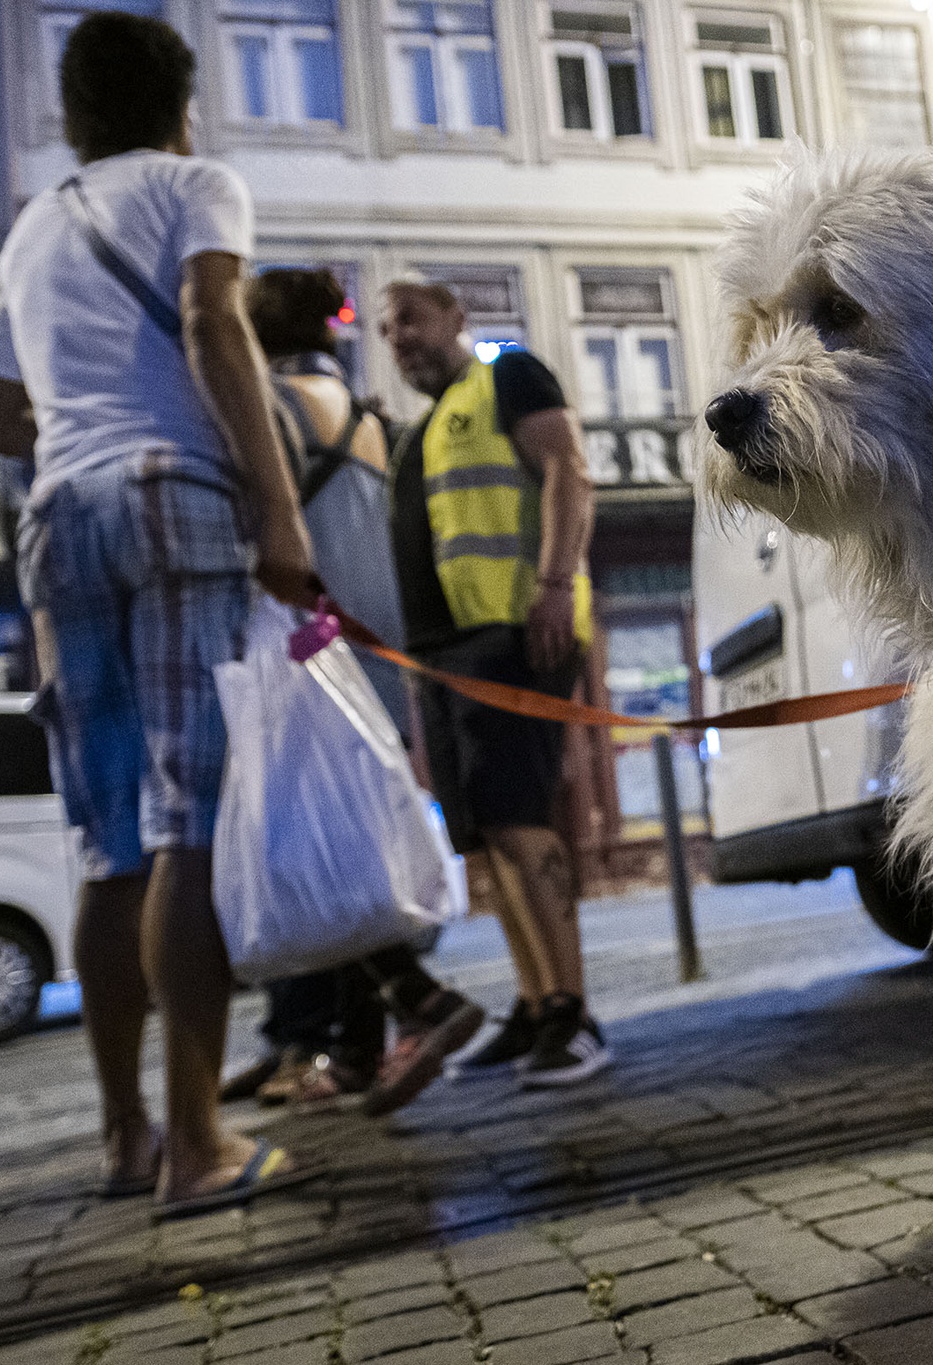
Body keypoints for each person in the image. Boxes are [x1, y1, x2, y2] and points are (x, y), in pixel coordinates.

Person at [0, 12, 317, 1214]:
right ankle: (196, 1144)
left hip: (59, 516)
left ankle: (121, 1138)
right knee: (187, 821)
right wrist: (278, 513)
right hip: (175, 501)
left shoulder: (31, 230)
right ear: (182, 105)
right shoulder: (194, 183)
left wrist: (89, 413)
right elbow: (213, 323)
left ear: (74, 114)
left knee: (105, 841)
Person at [216, 268, 484, 1115]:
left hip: (306, 652)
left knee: (318, 851)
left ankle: (422, 1004)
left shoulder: (268, 409)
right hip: (379, 655)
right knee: (353, 844)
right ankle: (358, 1052)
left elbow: (259, 529)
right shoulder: (375, 419)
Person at [381, 277, 607, 1087]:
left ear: (454, 316)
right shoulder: (427, 427)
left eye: (408, 317)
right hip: (445, 655)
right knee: (486, 837)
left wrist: (552, 586)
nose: (395, 335)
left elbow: (567, 472)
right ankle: (535, 999)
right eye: (385, 327)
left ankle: (572, 1015)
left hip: (512, 634)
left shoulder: (508, 376)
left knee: (521, 824)